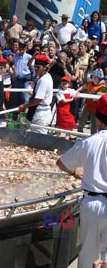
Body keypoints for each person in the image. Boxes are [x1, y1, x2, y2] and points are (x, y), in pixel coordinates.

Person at [56, 93, 107, 268]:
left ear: (98, 120)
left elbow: (60, 162)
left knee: (88, 253)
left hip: (92, 203)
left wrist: (74, 171)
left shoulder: (89, 142)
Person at [18, 54, 53, 134]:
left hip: (41, 113)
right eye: (35, 66)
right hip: (37, 111)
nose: (36, 69)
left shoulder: (44, 80)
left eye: (38, 67)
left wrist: (24, 106)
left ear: (45, 68)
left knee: (39, 136)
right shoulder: (43, 77)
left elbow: (38, 99)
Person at [77, 69, 106, 134]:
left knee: (94, 124)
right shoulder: (89, 83)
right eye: (93, 77)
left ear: (99, 78)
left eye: (96, 77)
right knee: (82, 120)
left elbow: (103, 94)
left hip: (96, 108)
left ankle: (93, 135)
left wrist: (99, 93)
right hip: (87, 105)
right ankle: (79, 133)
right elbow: (83, 87)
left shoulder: (102, 86)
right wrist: (76, 91)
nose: (94, 78)